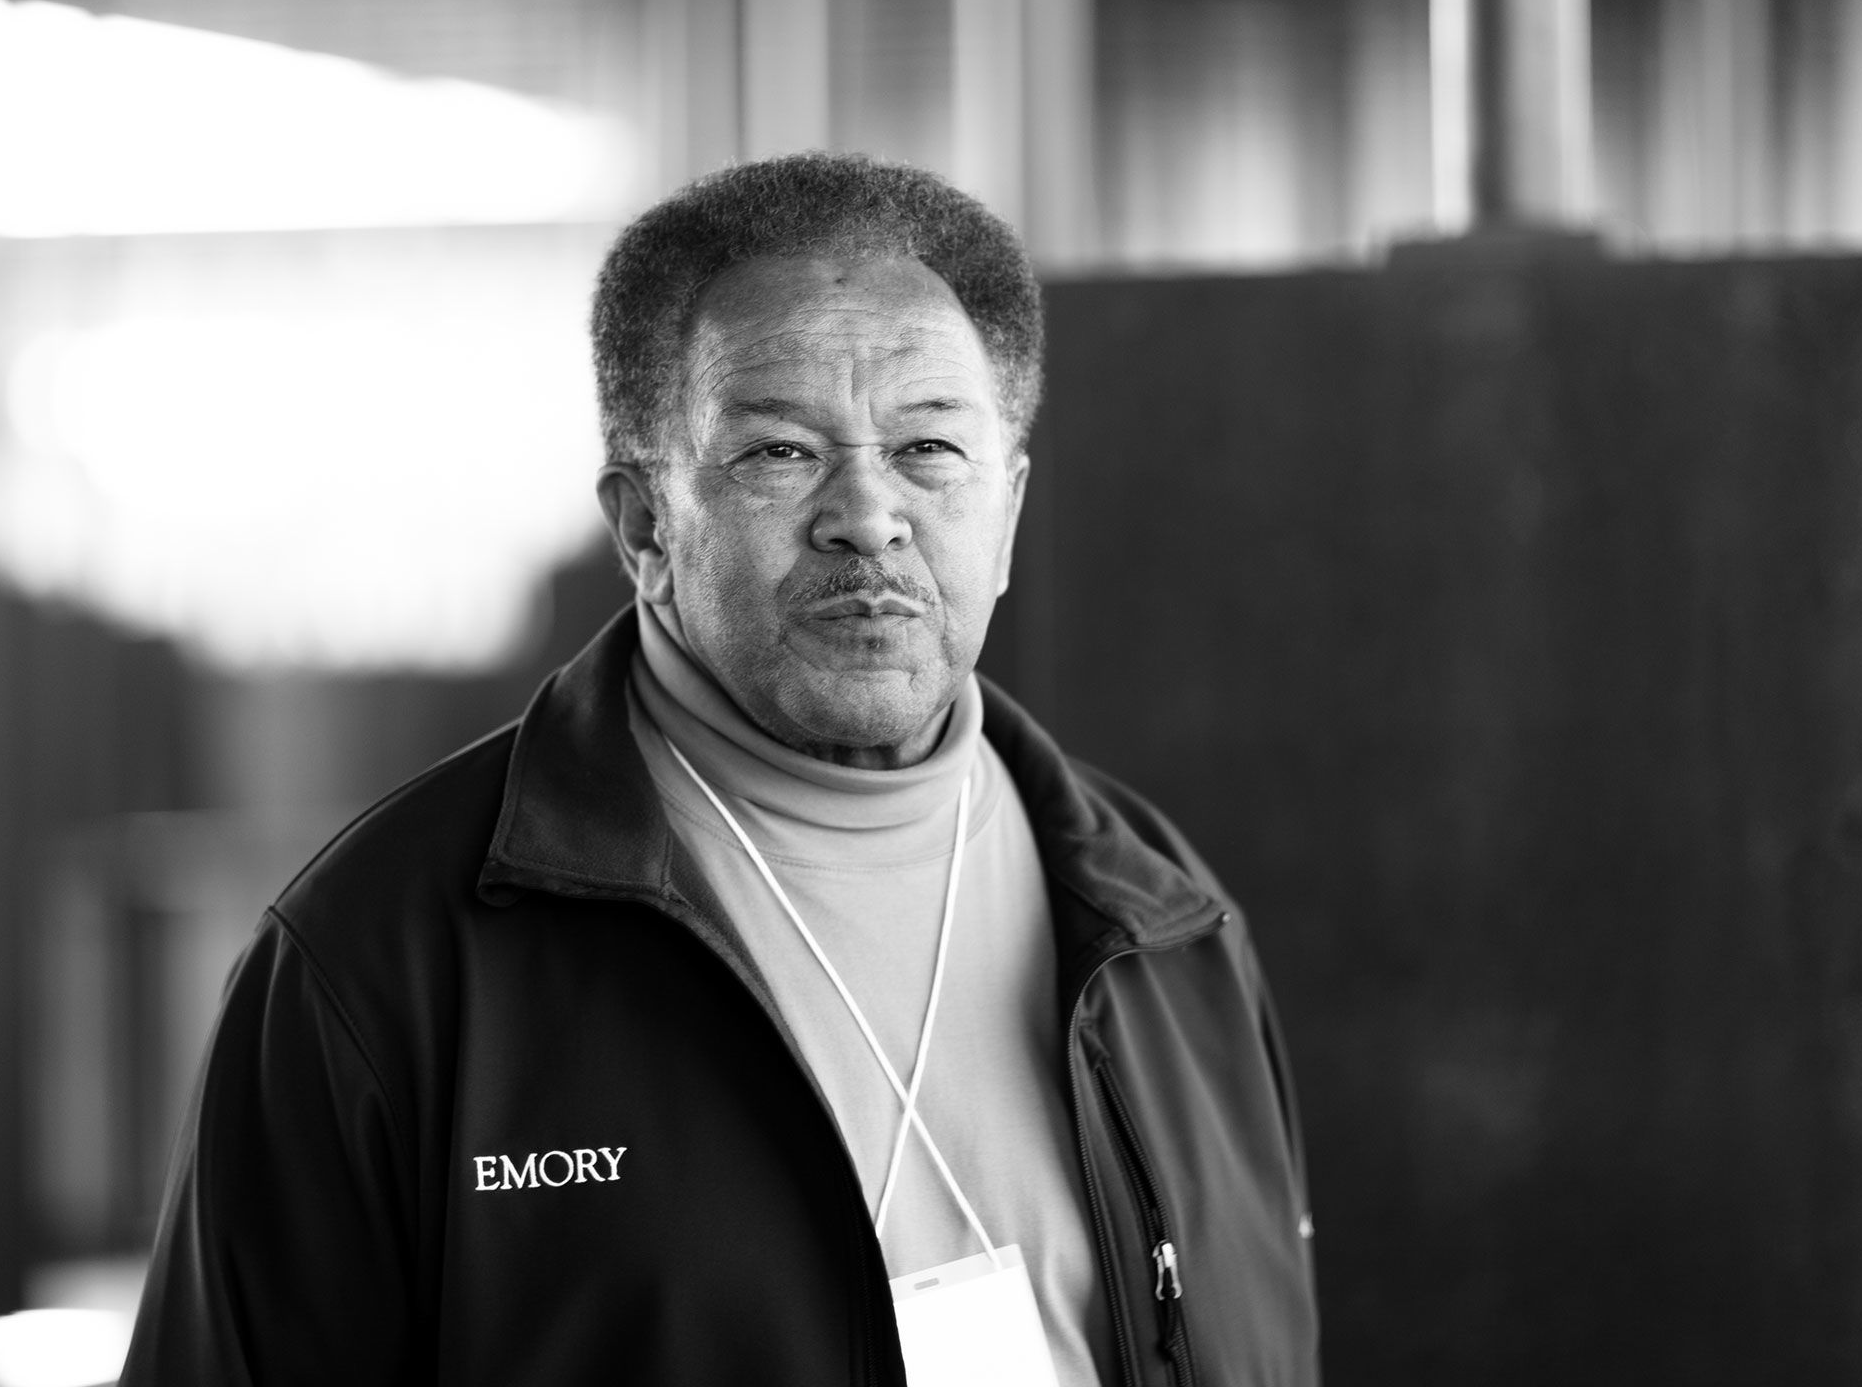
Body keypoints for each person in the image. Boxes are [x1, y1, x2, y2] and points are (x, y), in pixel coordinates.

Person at [120, 152, 1317, 1387]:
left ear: (1005, 512)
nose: (868, 514)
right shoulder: (385, 957)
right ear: (645, 527)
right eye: (779, 454)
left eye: (929, 449)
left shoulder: (1163, 922)